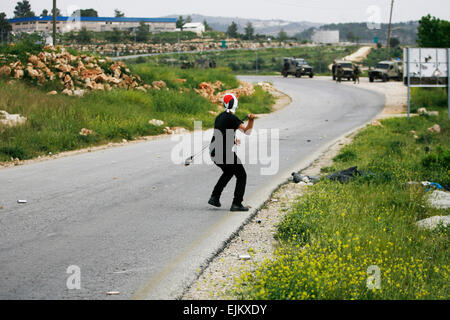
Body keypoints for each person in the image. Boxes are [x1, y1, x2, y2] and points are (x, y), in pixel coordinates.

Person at [208, 93, 255, 212]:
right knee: (242, 175)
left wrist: (233, 139)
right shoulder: (232, 118)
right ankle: (237, 203)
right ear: (235, 104)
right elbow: (247, 131)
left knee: (228, 172)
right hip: (224, 153)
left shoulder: (220, 116)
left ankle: (214, 197)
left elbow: (222, 132)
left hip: (214, 153)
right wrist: (251, 120)